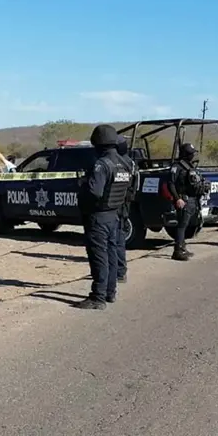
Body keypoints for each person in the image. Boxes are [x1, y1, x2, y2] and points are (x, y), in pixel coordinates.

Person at [76, 125, 131, 309]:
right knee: (111, 254)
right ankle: (110, 292)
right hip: (114, 215)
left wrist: (82, 185)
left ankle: (97, 297)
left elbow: (94, 193)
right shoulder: (124, 164)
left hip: (98, 216)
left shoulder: (101, 164)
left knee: (99, 256)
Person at [166, 142, 206, 261]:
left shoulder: (189, 166)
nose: (192, 156)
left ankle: (183, 247)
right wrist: (177, 198)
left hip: (193, 199)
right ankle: (177, 251)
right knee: (181, 225)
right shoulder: (176, 167)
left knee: (185, 224)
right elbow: (170, 184)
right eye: (190, 154)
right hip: (183, 199)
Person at [114, 135, 138, 282]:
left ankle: (120, 271)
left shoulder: (120, 163)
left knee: (117, 239)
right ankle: (117, 270)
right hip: (123, 203)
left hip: (118, 205)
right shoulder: (130, 163)